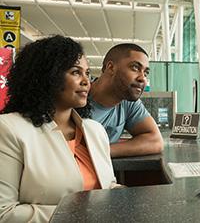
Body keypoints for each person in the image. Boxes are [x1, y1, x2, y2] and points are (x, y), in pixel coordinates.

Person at [0, 36, 117, 222]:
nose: (86, 81)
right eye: (75, 72)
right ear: (47, 76)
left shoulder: (95, 130)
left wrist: (129, 198)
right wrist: (80, 214)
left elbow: (107, 187)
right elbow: (4, 213)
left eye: (87, 73)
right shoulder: (9, 129)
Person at [89, 43, 163, 157]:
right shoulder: (78, 95)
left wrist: (101, 152)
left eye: (146, 73)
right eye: (135, 68)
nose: (142, 78)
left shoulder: (128, 101)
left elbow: (155, 141)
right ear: (111, 67)